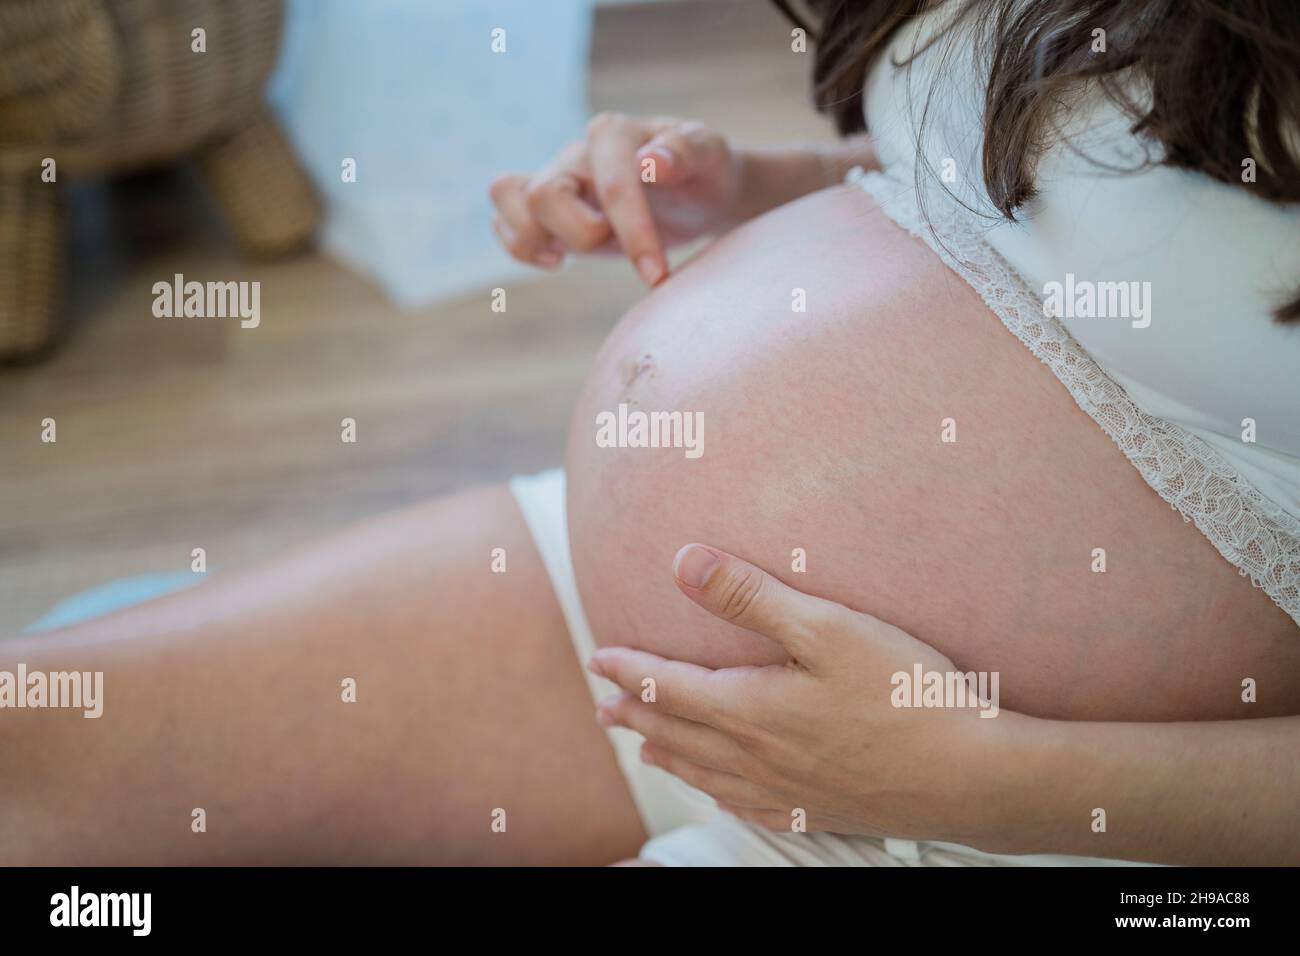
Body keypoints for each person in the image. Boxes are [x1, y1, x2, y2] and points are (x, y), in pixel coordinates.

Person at [3, 0, 1296, 865]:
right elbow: (1095, 190)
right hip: (665, 670)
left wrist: (981, 776)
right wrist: (750, 182)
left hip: (1051, 798)